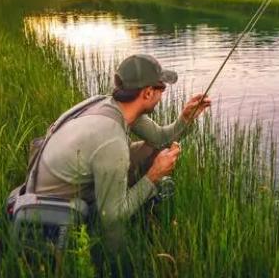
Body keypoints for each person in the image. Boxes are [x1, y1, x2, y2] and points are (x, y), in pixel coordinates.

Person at [28, 54, 211, 249]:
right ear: (148, 93)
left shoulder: (112, 104)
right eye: (161, 88)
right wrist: (154, 175)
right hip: (53, 211)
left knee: (153, 149)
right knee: (116, 217)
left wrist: (185, 118)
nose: (162, 95)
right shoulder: (111, 140)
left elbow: (159, 139)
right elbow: (111, 217)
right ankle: (116, 259)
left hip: (64, 182)